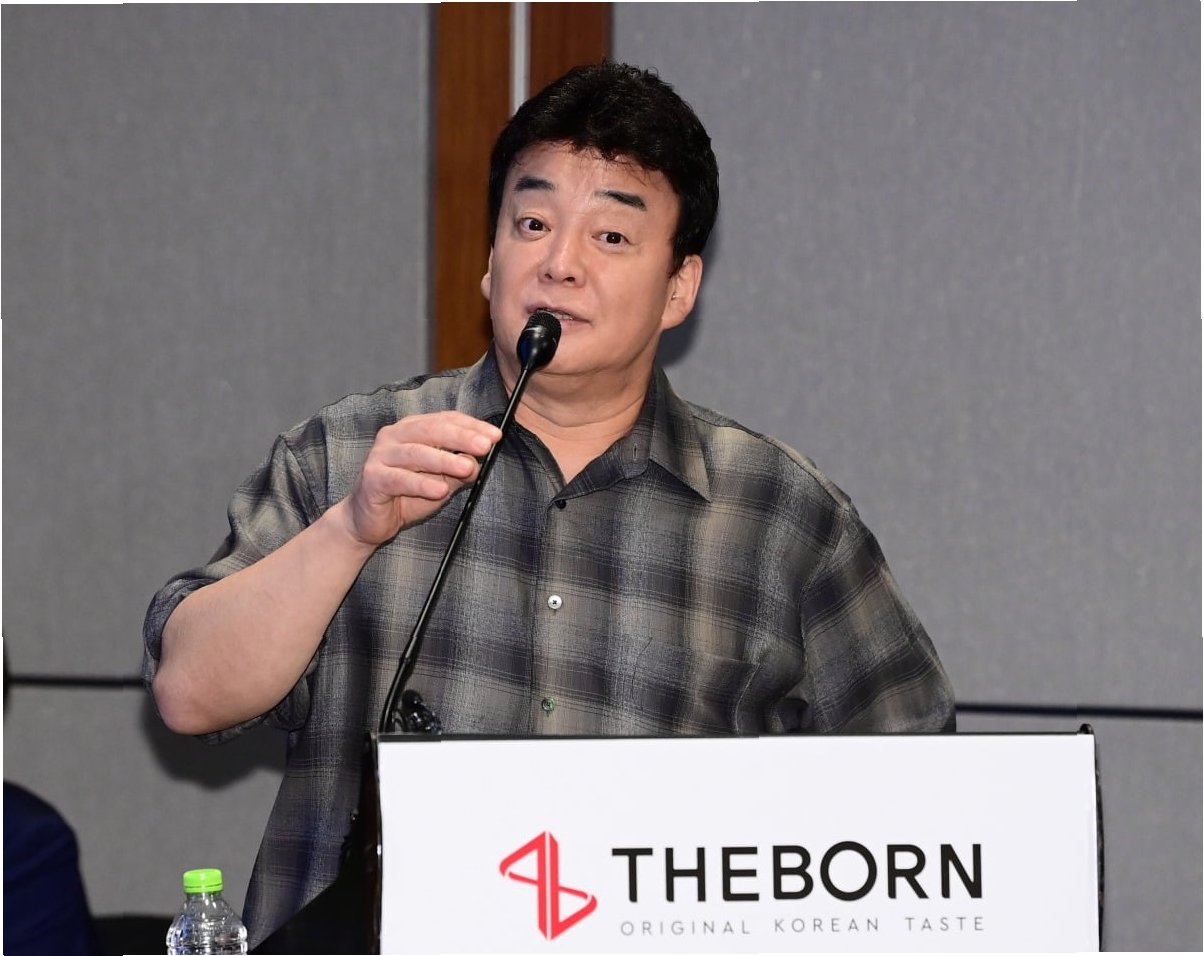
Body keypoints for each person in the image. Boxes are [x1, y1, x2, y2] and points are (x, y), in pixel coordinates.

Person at [143, 62, 955, 948]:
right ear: (491, 261)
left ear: (679, 288)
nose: (559, 264)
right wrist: (350, 530)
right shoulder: (353, 456)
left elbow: (923, 803)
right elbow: (189, 694)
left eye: (611, 236)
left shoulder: (778, 518)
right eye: (532, 224)